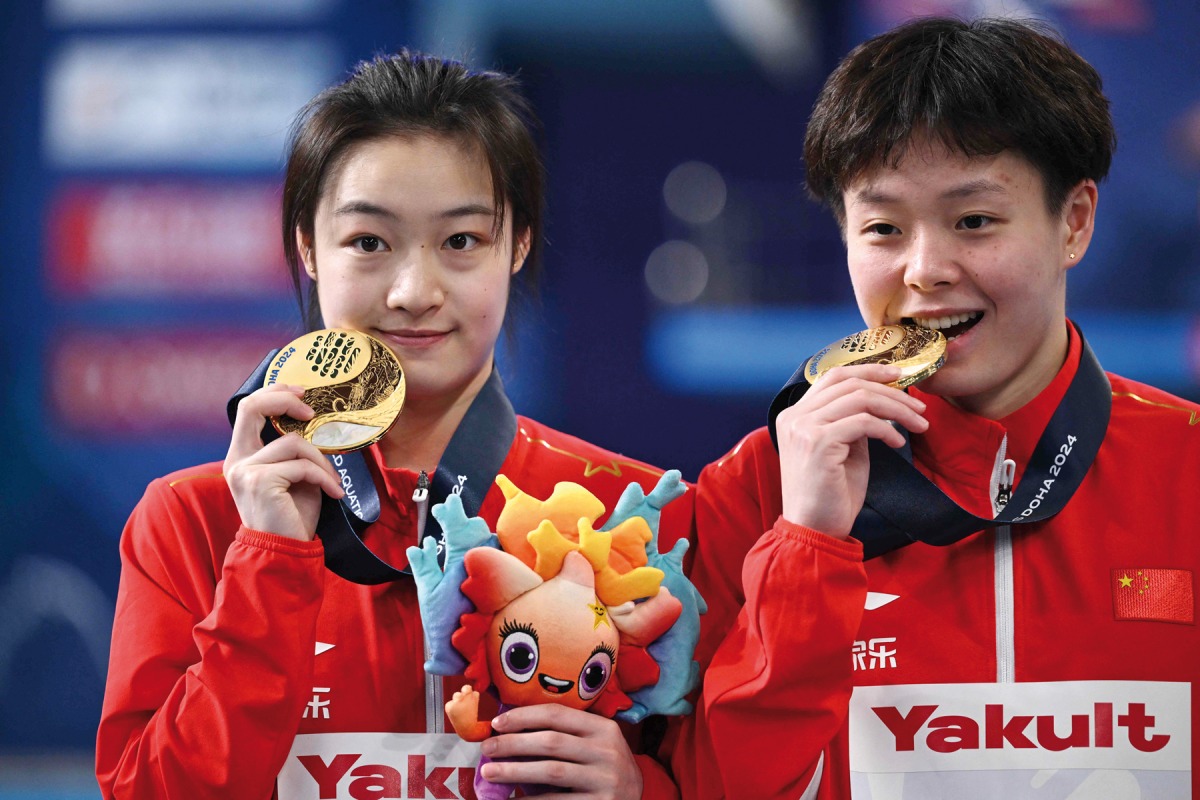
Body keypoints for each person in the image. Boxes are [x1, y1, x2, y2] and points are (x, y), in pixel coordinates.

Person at [95, 52, 690, 800]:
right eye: (370, 243)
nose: (414, 292)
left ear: (520, 246)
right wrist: (269, 558)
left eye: (461, 242)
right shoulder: (191, 522)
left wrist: (644, 792)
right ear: (309, 248)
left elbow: (738, 772)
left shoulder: (632, 511)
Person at [672, 17, 1200, 799]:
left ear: (1075, 223)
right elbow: (713, 788)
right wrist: (808, 546)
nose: (924, 271)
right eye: (883, 228)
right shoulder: (752, 491)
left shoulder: (1186, 467)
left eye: (974, 221)